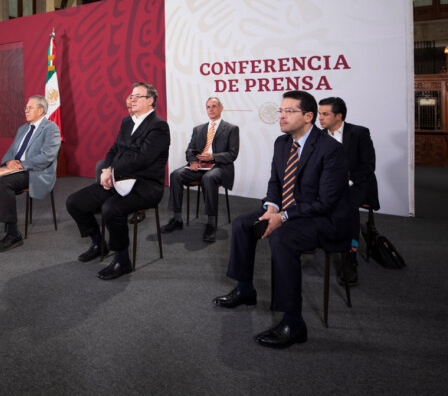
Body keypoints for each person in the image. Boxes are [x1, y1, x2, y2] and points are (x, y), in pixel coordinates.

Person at [213, 90, 349, 349]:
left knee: (282, 238)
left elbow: (326, 202)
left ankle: (293, 321)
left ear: (308, 117)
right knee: (243, 224)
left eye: (289, 111)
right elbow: (275, 182)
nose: (282, 116)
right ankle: (245, 289)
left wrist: (283, 217)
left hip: (321, 217)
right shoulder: (282, 143)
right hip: (287, 209)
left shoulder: (331, 150)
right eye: (281, 111)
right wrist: (272, 206)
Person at [67, 82, 170, 280]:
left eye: (137, 96)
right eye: (131, 95)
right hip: (117, 179)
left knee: (111, 209)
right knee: (75, 202)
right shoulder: (127, 122)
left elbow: (142, 159)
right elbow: (114, 149)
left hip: (145, 186)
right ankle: (99, 243)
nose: (132, 99)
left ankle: (122, 261)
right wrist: (107, 168)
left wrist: (111, 172)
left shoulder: (159, 126)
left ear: (150, 100)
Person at [0, 95, 61, 252]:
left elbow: (47, 157)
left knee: (3, 183)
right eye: (26, 108)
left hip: (36, 171)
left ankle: (13, 233)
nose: (26, 110)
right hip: (15, 168)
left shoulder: (51, 128)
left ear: (41, 110)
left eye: (30, 107)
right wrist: (9, 162)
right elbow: (11, 151)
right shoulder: (22, 129)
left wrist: (22, 165)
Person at [318, 96, 379, 286]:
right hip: (328, 185)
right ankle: (310, 239)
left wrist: (348, 179)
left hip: (357, 184)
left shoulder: (359, 133)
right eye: (319, 114)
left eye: (325, 114)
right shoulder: (318, 136)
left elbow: (368, 166)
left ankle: (350, 258)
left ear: (339, 116)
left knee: (347, 208)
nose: (320, 118)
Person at [162, 97, 239, 242]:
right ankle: (177, 219)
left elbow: (232, 154)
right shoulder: (198, 129)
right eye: (208, 107)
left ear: (221, 108)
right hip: (200, 165)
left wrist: (212, 157)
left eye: (214, 106)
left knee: (208, 178)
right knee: (175, 175)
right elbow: (190, 150)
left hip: (219, 166)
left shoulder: (231, 129)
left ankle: (211, 223)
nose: (211, 109)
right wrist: (192, 161)